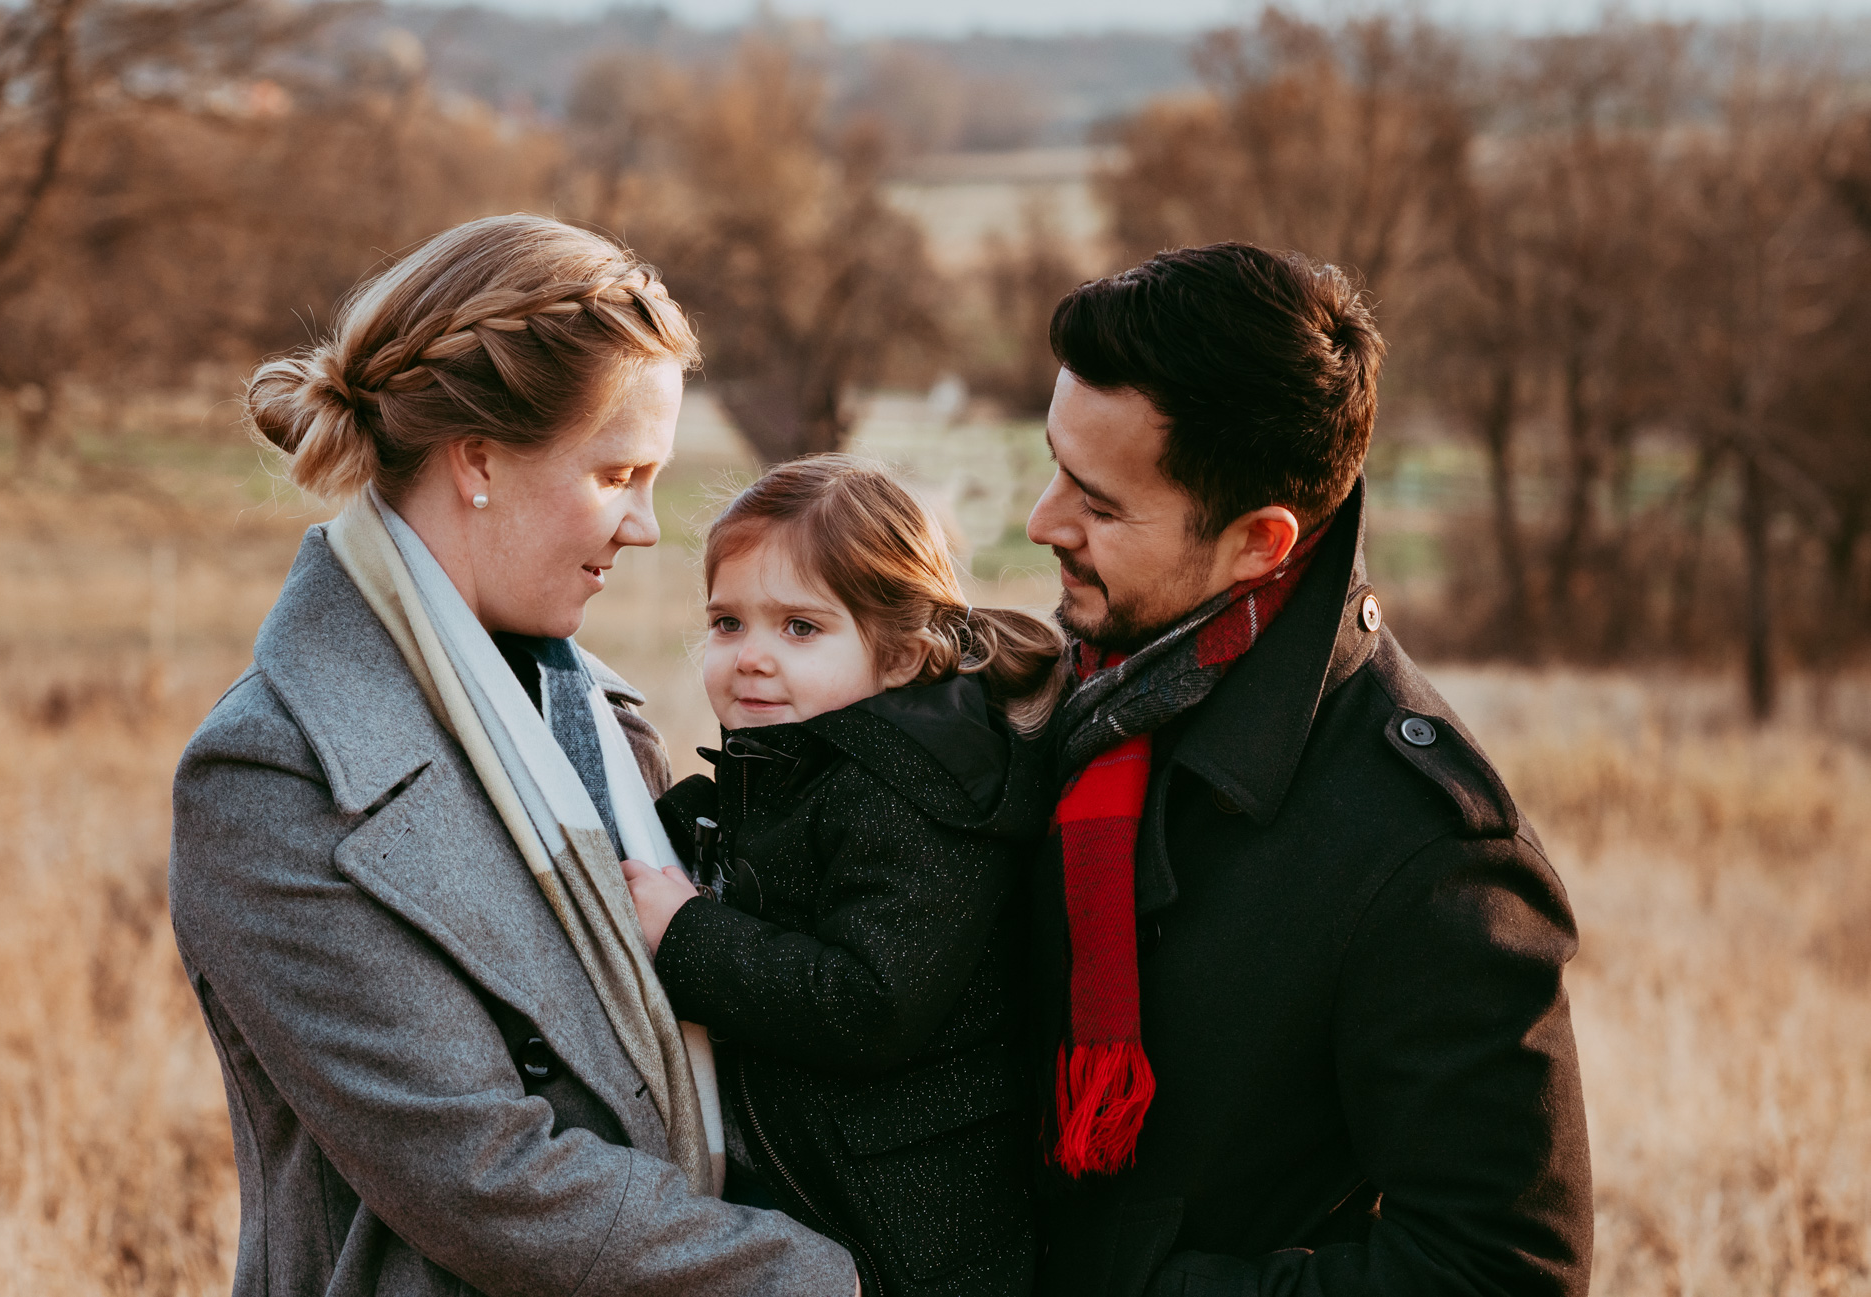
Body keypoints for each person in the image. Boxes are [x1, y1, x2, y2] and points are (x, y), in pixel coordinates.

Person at [168, 214, 858, 1296]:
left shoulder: (597, 718)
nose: (643, 527)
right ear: (479, 458)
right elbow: (484, 1179)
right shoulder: (274, 776)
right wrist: (823, 1279)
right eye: (618, 473)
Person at [1019, 244, 1593, 1297]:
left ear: (1258, 543)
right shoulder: (1065, 696)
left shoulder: (1428, 853)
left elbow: (1501, 1271)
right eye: (1054, 461)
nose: (1042, 520)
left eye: (1098, 506)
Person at [619, 456, 1061, 1297]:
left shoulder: (912, 799)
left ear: (898, 655)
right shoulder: (797, 768)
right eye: (727, 623)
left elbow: (870, 1002)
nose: (749, 657)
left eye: (799, 628)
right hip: (831, 1206)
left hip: (917, 1245)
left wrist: (688, 934)